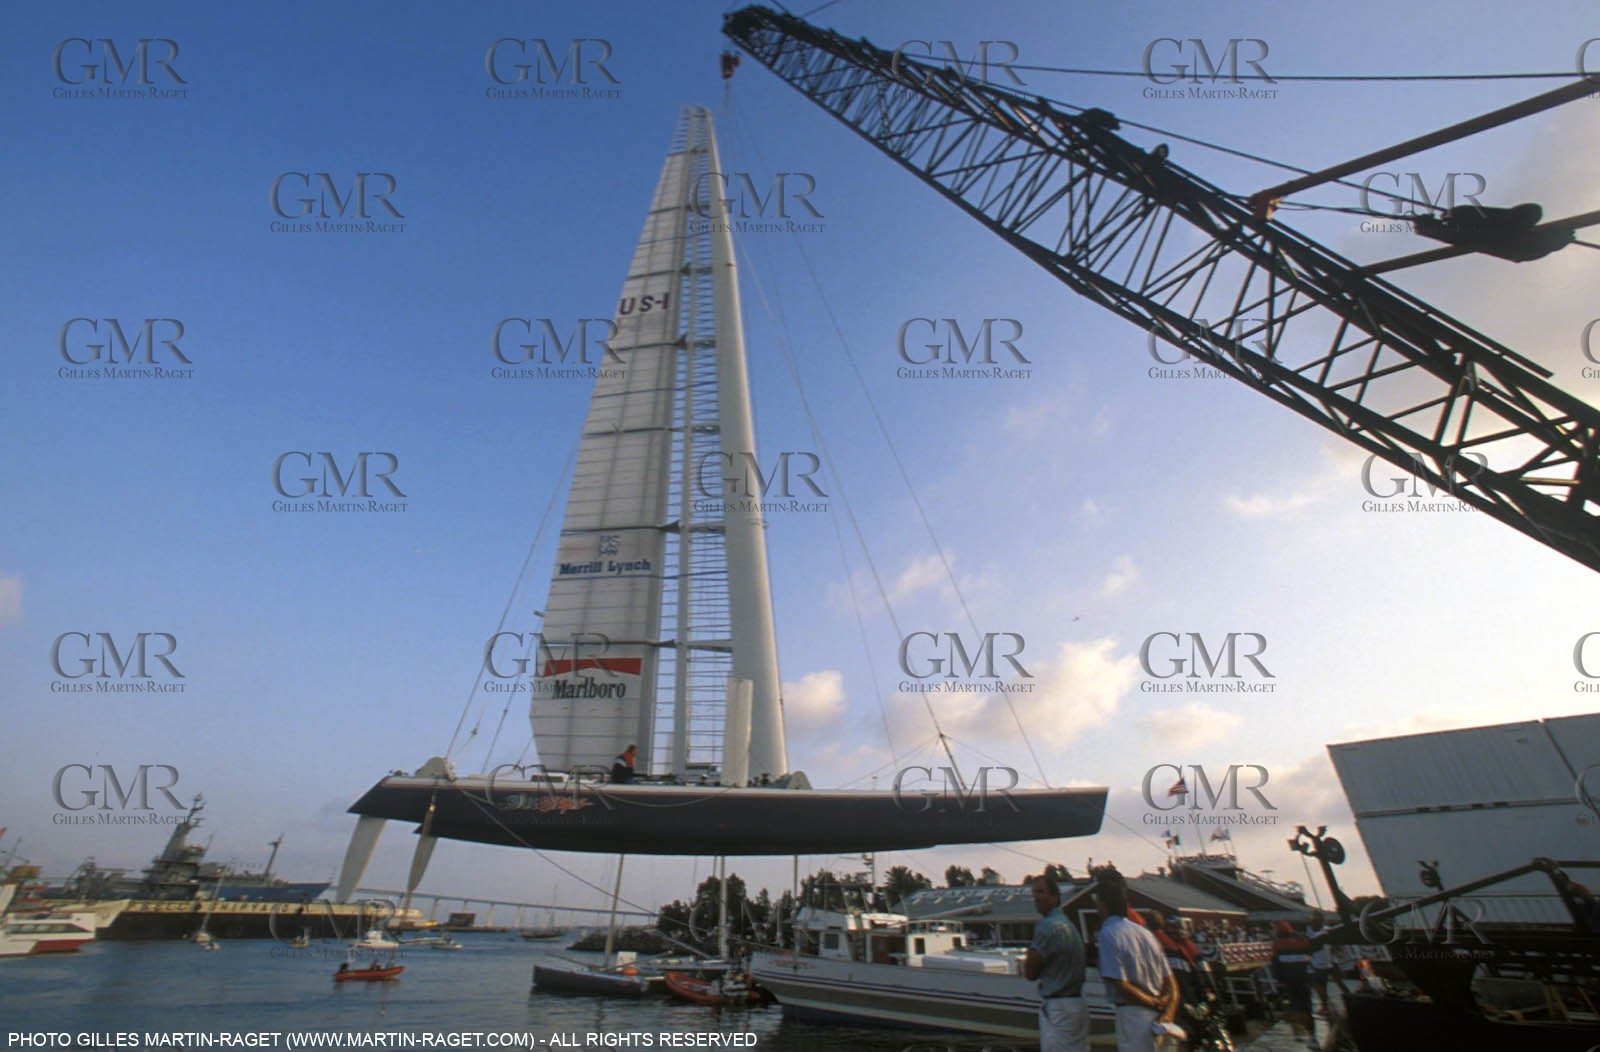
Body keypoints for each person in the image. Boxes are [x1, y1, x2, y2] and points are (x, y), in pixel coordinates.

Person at [1093, 868, 1180, 1051]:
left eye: (1097, 901)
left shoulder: (1108, 934)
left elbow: (1121, 985)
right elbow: (1170, 979)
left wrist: (1153, 1002)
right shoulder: (1146, 934)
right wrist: (1167, 1009)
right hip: (1161, 1017)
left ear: (1104, 903)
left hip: (1134, 1015)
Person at [1022, 874, 1089, 1052]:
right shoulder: (1069, 926)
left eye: (1040, 892)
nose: (1035, 897)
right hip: (1077, 1004)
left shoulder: (1046, 926)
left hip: (1058, 1008)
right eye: (1034, 892)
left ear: (1054, 897)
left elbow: (1030, 972)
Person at [1271, 920, 1315, 1048]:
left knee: (1296, 1005)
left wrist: (1278, 979)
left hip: (1289, 980)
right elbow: (1309, 950)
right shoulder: (1302, 943)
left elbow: (1276, 964)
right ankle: (1312, 1034)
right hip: (1304, 978)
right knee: (1307, 1006)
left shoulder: (1277, 945)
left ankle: (1300, 1033)